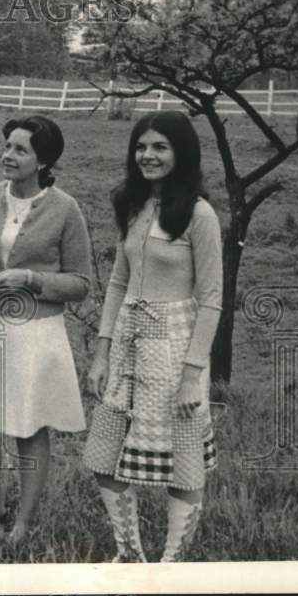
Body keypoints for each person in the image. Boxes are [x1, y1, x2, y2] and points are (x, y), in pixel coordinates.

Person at [83, 111, 223, 563]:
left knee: (182, 463)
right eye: (142, 147)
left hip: (175, 346)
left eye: (160, 146)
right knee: (104, 454)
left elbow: (213, 299)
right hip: (127, 342)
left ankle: (171, 563)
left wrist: (191, 375)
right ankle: (129, 553)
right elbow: (120, 283)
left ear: (181, 153)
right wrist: (102, 353)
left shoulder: (199, 214)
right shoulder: (133, 205)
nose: (148, 155)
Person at [0, 114, 92, 544]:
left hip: (34, 333)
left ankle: (23, 524)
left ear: (43, 160)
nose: (8, 155)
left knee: (28, 426)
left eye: (20, 149)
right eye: (7, 146)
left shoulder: (65, 209)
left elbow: (81, 284)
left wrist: (31, 279)